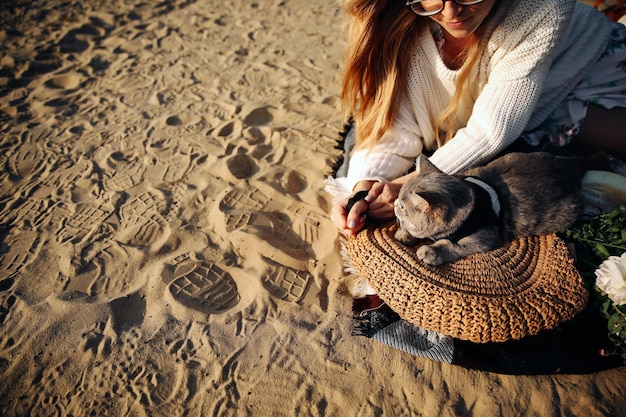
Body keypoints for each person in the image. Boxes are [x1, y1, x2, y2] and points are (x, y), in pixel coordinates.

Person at [329, 0, 626, 237]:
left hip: (594, 73)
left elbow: (491, 131)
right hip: (524, 102)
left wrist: (407, 185)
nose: (451, 11)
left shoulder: (542, 9)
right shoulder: (403, 18)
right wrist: (363, 189)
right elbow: (393, 124)